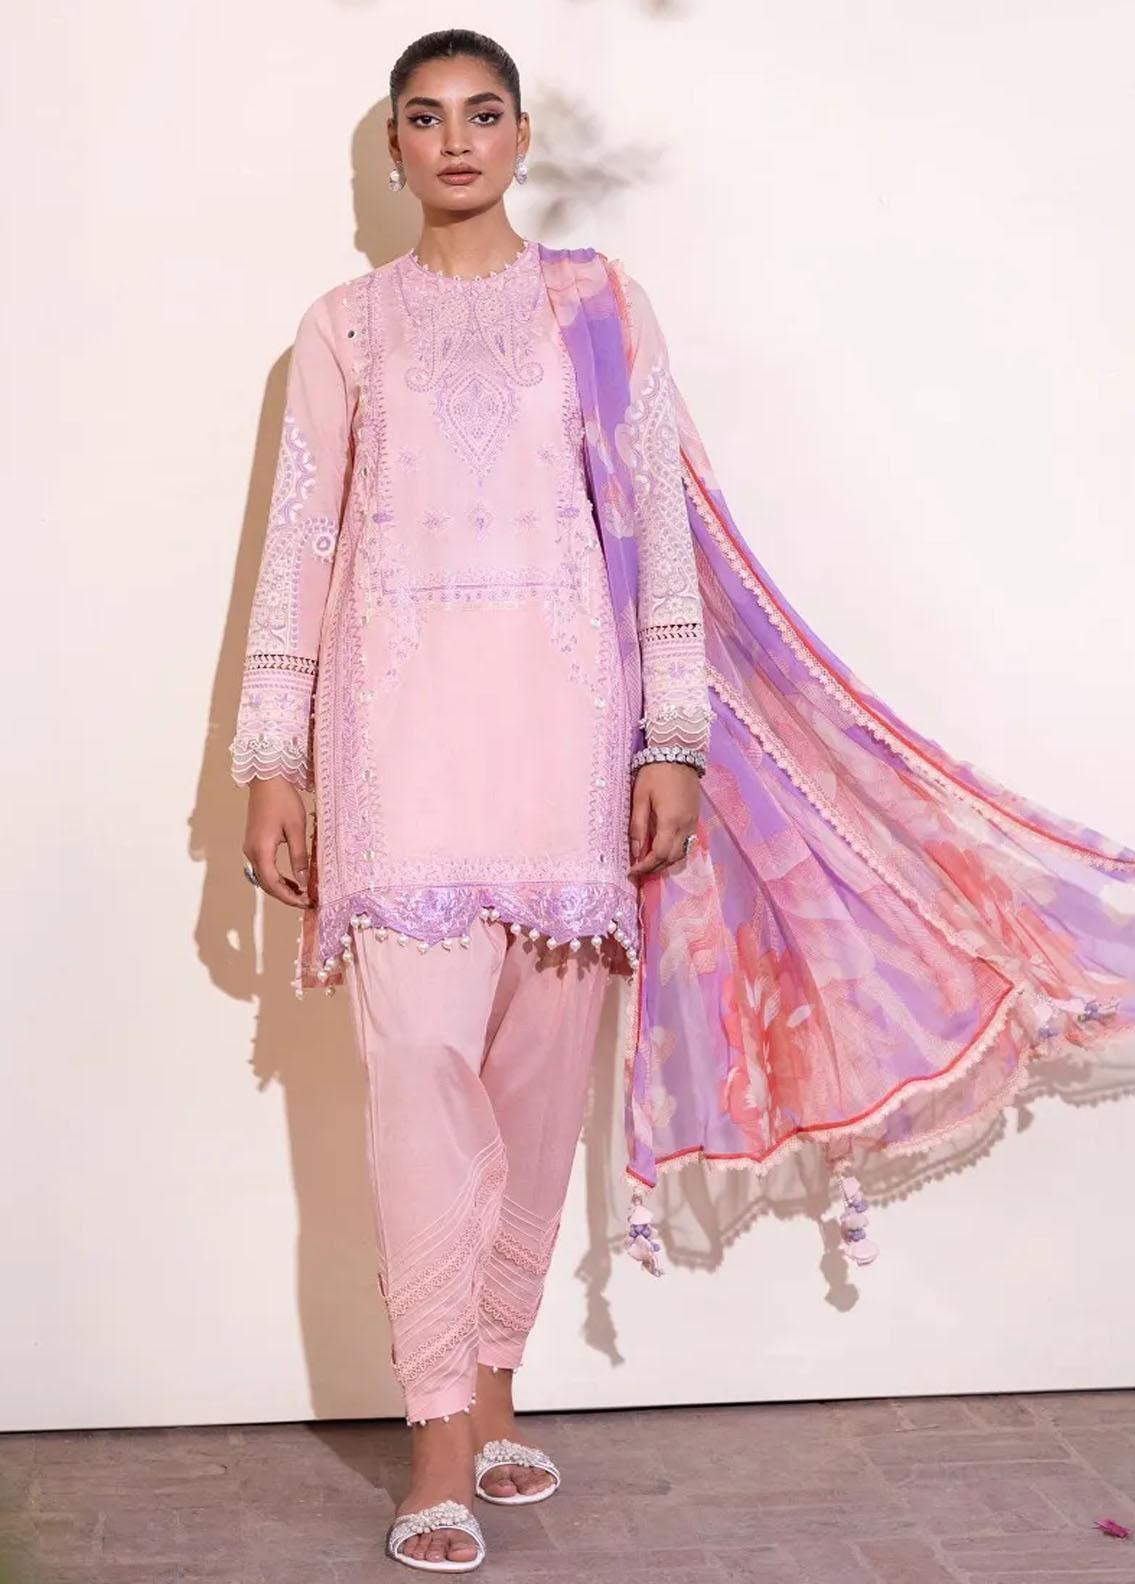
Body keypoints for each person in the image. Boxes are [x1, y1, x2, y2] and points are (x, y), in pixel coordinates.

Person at [232, 26, 1135, 1576]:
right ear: (392, 150)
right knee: (421, 1070)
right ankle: (435, 1427)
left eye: (484, 114)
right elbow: (302, 544)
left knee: (532, 1091)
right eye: (426, 118)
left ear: (522, 138)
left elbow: (652, 520)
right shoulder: (344, 328)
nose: (457, 141)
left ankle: (495, 1383)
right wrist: (272, 756)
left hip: (567, 747)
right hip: (398, 751)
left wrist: (671, 740)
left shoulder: (598, 309)